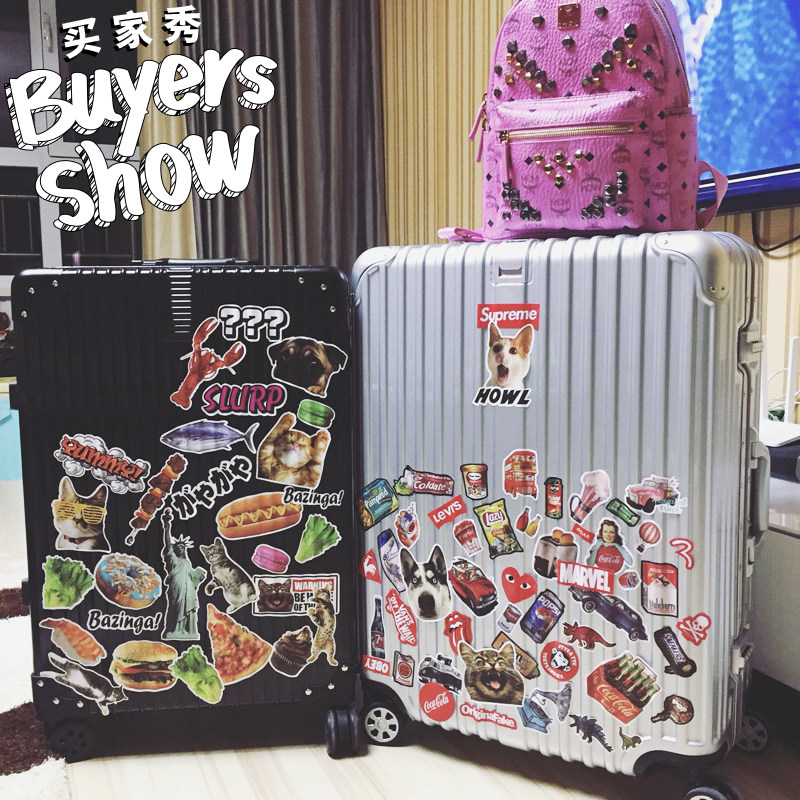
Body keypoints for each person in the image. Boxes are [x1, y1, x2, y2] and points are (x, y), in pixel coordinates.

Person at [161, 508, 207, 640]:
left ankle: (185, 630)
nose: (180, 549)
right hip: (177, 585)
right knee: (177, 606)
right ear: (175, 549)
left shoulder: (186, 562)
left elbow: (192, 576)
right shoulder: (173, 559)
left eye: (183, 547)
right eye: (178, 547)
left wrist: (199, 577)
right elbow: (168, 545)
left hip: (188, 587)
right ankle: (176, 629)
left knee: (187, 606)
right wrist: (167, 527)